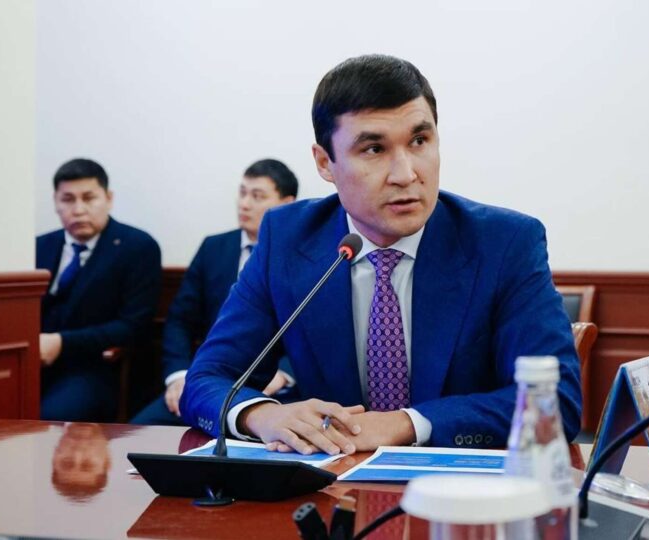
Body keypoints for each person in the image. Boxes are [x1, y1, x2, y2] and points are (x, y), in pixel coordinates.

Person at [181, 54, 580, 455]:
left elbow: (554, 403)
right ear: (324, 163)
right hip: (330, 482)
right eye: (374, 148)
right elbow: (207, 379)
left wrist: (406, 424)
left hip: (461, 486)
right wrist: (262, 415)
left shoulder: (505, 243)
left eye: (419, 141)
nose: (406, 174)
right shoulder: (287, 240)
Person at [131, 159, 299, 425]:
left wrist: (284, 374)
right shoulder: (214, 248)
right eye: (242, 193)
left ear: (287, 204)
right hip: (208, 383)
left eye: (257, 196)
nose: (244, 204)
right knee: (138, 432)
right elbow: (179, 320)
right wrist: (179, 375)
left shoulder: (303, 255)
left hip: (276, 390)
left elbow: (318, 330)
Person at [37, 158, 162, 422]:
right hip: (34, 362)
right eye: (67, 199)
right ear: (56, 202)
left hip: (93, 367)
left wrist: (62, 342)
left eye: (89, 198)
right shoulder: (39, 246)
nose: (78, 210)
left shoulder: (137, 247)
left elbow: (133, 325)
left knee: (50, 417)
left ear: (108, 198)